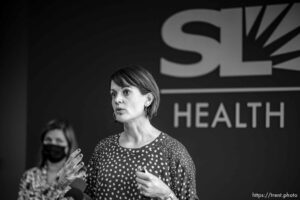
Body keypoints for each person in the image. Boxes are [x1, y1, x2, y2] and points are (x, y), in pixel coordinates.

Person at [84, 65, 199, 200]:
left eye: (126, 92)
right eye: (113, 94)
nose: (117, 100)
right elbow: (88, 196)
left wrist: (166, 195)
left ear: (148, 99)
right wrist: (66, 185)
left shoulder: (172, 151)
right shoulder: (103, 148)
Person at [18, 119, 85, 200]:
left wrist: (61, 187)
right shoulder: (29, 175)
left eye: (59, 141)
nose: (53, 144)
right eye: (48, 140)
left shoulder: (78, 176)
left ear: (68, 147)